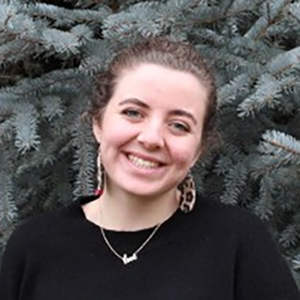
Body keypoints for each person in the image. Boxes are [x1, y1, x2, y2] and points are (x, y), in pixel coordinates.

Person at [0, 37, 299, 300]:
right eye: (133, 113)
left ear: (199, 149)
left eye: (179, 125)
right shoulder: (34, 246)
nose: (152, 138)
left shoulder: (239, 243)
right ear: (98, 123)